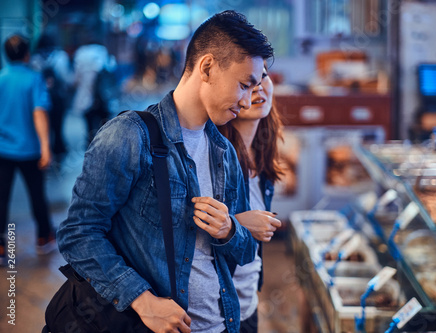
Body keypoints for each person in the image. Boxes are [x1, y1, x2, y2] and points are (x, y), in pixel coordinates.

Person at [55, 10, 273, 333]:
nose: (248, 99)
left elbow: (245, 252)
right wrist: (144, 301)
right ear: (208, 67)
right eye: (243, 85)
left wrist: (229, 229)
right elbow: (78, 233)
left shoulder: (225, 153)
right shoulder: (130, 135)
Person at [218, 64, 283, 332]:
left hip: (248, 305)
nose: (258, 87)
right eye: (247, 81)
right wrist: (237, 224)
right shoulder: (216, 159)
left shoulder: (263, 156)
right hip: (219, 311)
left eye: (264, 76)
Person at [0, 34, 56, 265]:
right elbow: (39, 112)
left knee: (1, 197)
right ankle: (43, 238)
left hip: (3, 150)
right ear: (26, 53)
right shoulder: (34, 79)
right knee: (37, 196)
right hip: (30, 150)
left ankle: (2, 247)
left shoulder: (1, 78)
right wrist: (45, 147)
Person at [71, 41, 116, 145]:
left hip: (86, 98)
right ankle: (105, 147)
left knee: (89, 127)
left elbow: (75, 80)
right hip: (103, 98)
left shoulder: (80, 54)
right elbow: (112, 72)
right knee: (105, 127)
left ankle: (91, 149)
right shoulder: (103, 52)